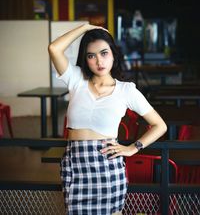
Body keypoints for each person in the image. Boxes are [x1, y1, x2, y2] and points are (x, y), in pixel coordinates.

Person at [48, 23, 167, 215]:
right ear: (85, 60)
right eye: (91, 55)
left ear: (114, 54)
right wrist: (85, 27)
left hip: (107, 167)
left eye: (104, 53)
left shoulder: (126, 90)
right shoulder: (76, 79)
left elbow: (159, 125)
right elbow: (54, 48)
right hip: (76, 165)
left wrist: (132, 148)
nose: (98, 61)